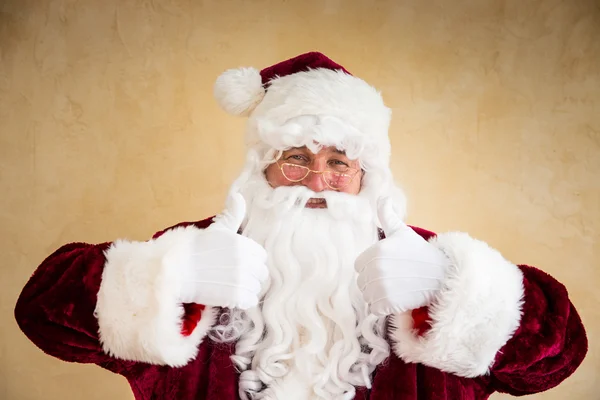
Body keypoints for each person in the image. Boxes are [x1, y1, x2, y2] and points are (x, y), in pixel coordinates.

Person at [14, 52, 587, 400]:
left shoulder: (423, 262)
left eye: (339, 162)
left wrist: (448, 290)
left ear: (369, 177)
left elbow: (558, 358)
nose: (317, 182)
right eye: (296, 159)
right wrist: (175, 275)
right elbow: (41, 313)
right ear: (261, 171)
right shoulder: (204, 255)